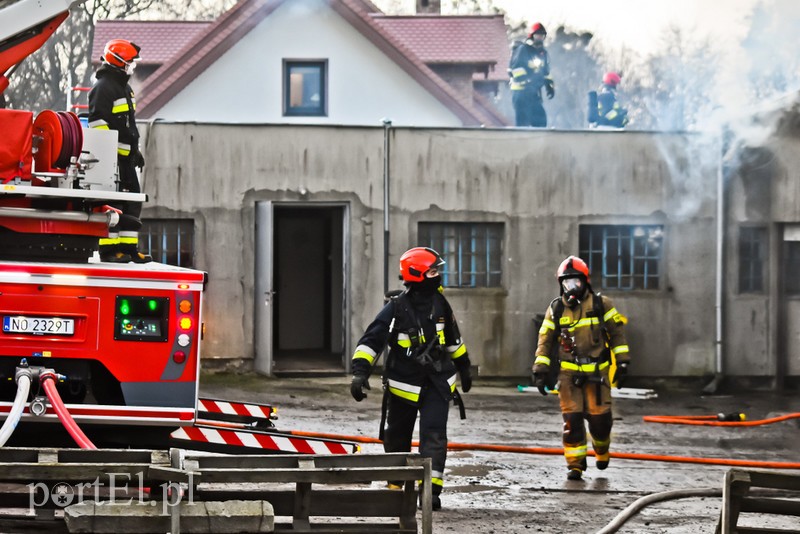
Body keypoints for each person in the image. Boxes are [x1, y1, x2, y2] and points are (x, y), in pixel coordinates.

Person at [350, 247, 473, 511]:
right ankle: (396, 485)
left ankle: (430, 491)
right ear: (416, 274)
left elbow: (453, 339)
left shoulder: (441, 304)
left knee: (435, 436)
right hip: (402, 385)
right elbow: (371, 340)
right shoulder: (396, 308)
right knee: (397, 437)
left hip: (437, 383)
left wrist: (464, 366)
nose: (437, 275)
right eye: (432, 271)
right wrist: (360, 372)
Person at [531, 256, 630, 481]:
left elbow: (617, 334)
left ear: (585, 281)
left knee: (600, 421)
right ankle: (575, 465)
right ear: (561, 284)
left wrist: (623, 362)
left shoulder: (601, 304)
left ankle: (602, 449)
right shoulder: (556, 309)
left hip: (597, 374)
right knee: (572, 421)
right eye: (567, 282)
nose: (572, 286)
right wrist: (540, 369)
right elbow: (545, 340)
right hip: (569, 375)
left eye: (576, 281)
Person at [88, 39, 151, 263]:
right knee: (113, 206)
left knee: (132, 204)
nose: (132, 67)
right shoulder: (103, 88)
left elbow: (127, 126)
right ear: (118, 62)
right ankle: (109, 251)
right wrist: (110, 154)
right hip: (112, 162)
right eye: (130, 62)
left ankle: (128, 249)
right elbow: (98, 124)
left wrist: (134, 152)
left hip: (126, 160)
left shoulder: (124, 88)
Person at [508, 22, 555, 127]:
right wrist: (528, 80)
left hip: (533, 93)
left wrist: (549, 86)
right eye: (538, 35)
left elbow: (545, 72)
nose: (540, 38)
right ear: (531, 36)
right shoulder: (523, 50)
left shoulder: (542, 53)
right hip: (521, 93)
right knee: (523, 125)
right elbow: (516, 70)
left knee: (541, 121)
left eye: (542, 36)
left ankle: (539, 138)